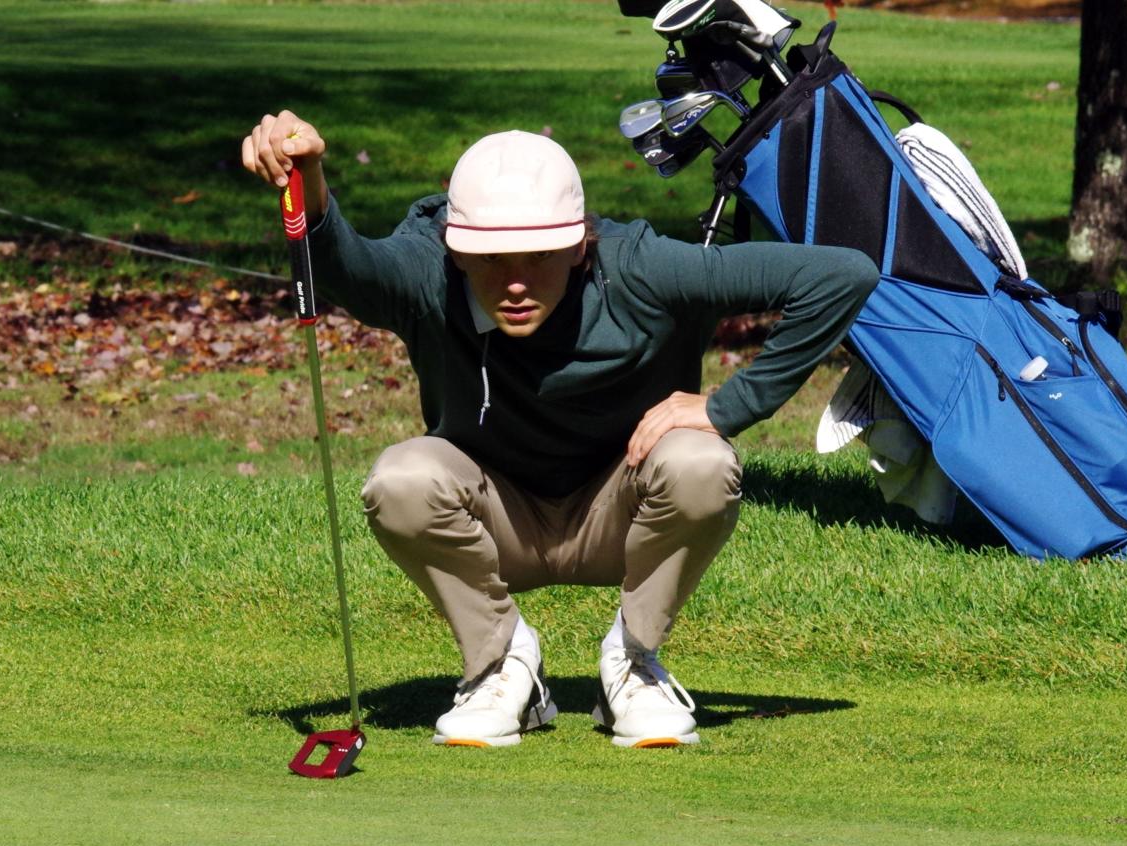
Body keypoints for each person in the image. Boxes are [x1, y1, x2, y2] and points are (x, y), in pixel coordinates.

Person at [241, 112, 877, 748]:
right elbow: (347, 269)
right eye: (490, 259)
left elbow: (841, 275)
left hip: (624, 514)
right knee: (402, 479)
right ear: (456, 249)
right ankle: (502, 665)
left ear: (579, 244)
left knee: (700, 460)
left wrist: (724, 409)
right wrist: (311, 178)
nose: (515, 282)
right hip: (495, 521)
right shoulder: (427, 272)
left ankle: (633, 663)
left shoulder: (641, 268)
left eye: (541, 256)